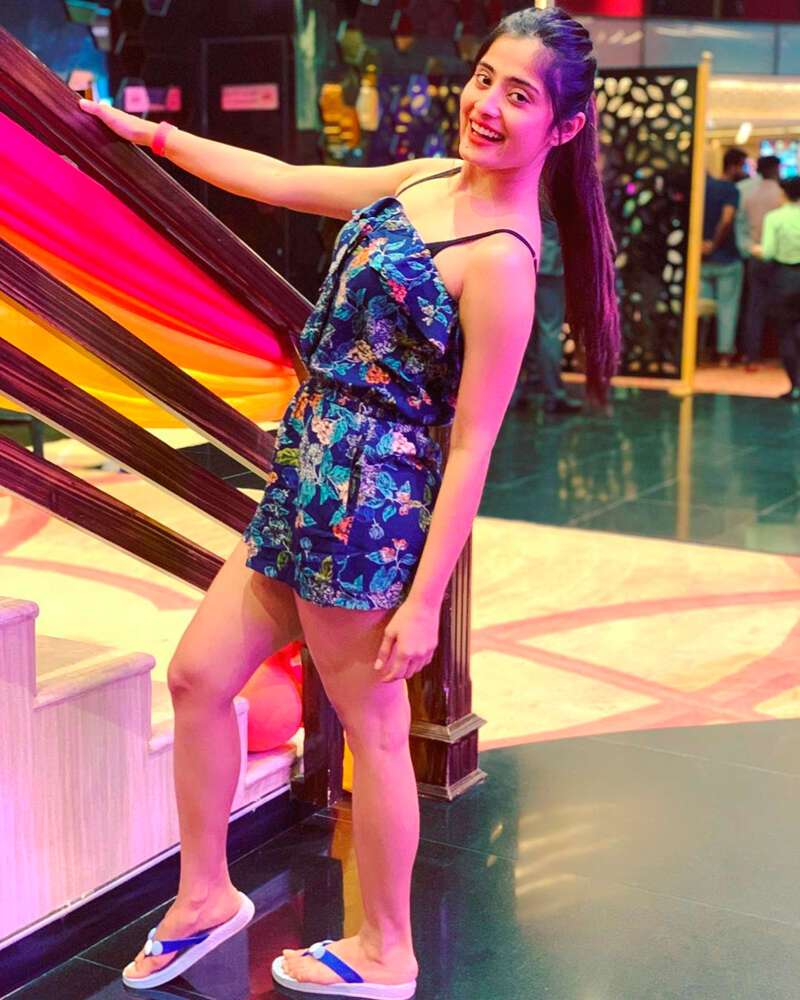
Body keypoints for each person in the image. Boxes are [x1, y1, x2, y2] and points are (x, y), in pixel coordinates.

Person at [78, 6, 619, 997]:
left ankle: (387, 950)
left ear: (564, 125)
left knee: (372, 729)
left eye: (519, 95)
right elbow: (284, 180)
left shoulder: (501, 258)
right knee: (198, 677)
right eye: (485, 78)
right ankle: (205, 896)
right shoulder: (428, 178)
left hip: (365, 506)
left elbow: (472, 444)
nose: (487, 104)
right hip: (305, 470)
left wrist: (424, 602)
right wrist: (146, 135)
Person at [513, 215, 583, 414]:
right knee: (549, 331)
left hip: (524, 258)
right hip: (550, 264)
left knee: (524, 329)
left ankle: (520, 391)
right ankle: (554, 394)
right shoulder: (558, 194)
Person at [700, 147, 748, 367]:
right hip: (726, 258)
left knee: (702, 310)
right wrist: (714, 243)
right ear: (734, 166)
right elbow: (727, 219)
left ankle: (698, 351)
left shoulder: (703, 187)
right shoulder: (730, 189)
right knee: (727, 308)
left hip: (701, 259)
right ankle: (724, 355)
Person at [737, 155, 783, 369]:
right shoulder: (782, 195)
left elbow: (740, 225)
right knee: (786, 309)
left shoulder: (747, 192)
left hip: (755, 255)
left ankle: (752, 354)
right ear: (775, 170)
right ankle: (783, 355)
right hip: (781, 259)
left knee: (755, 307)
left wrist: (747, 248)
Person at [760, 177, 800, 401]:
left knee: (786, 334)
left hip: (785, 278)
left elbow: (768, 252)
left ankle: (795, 385)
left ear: (783, 193)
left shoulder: (774, 218)